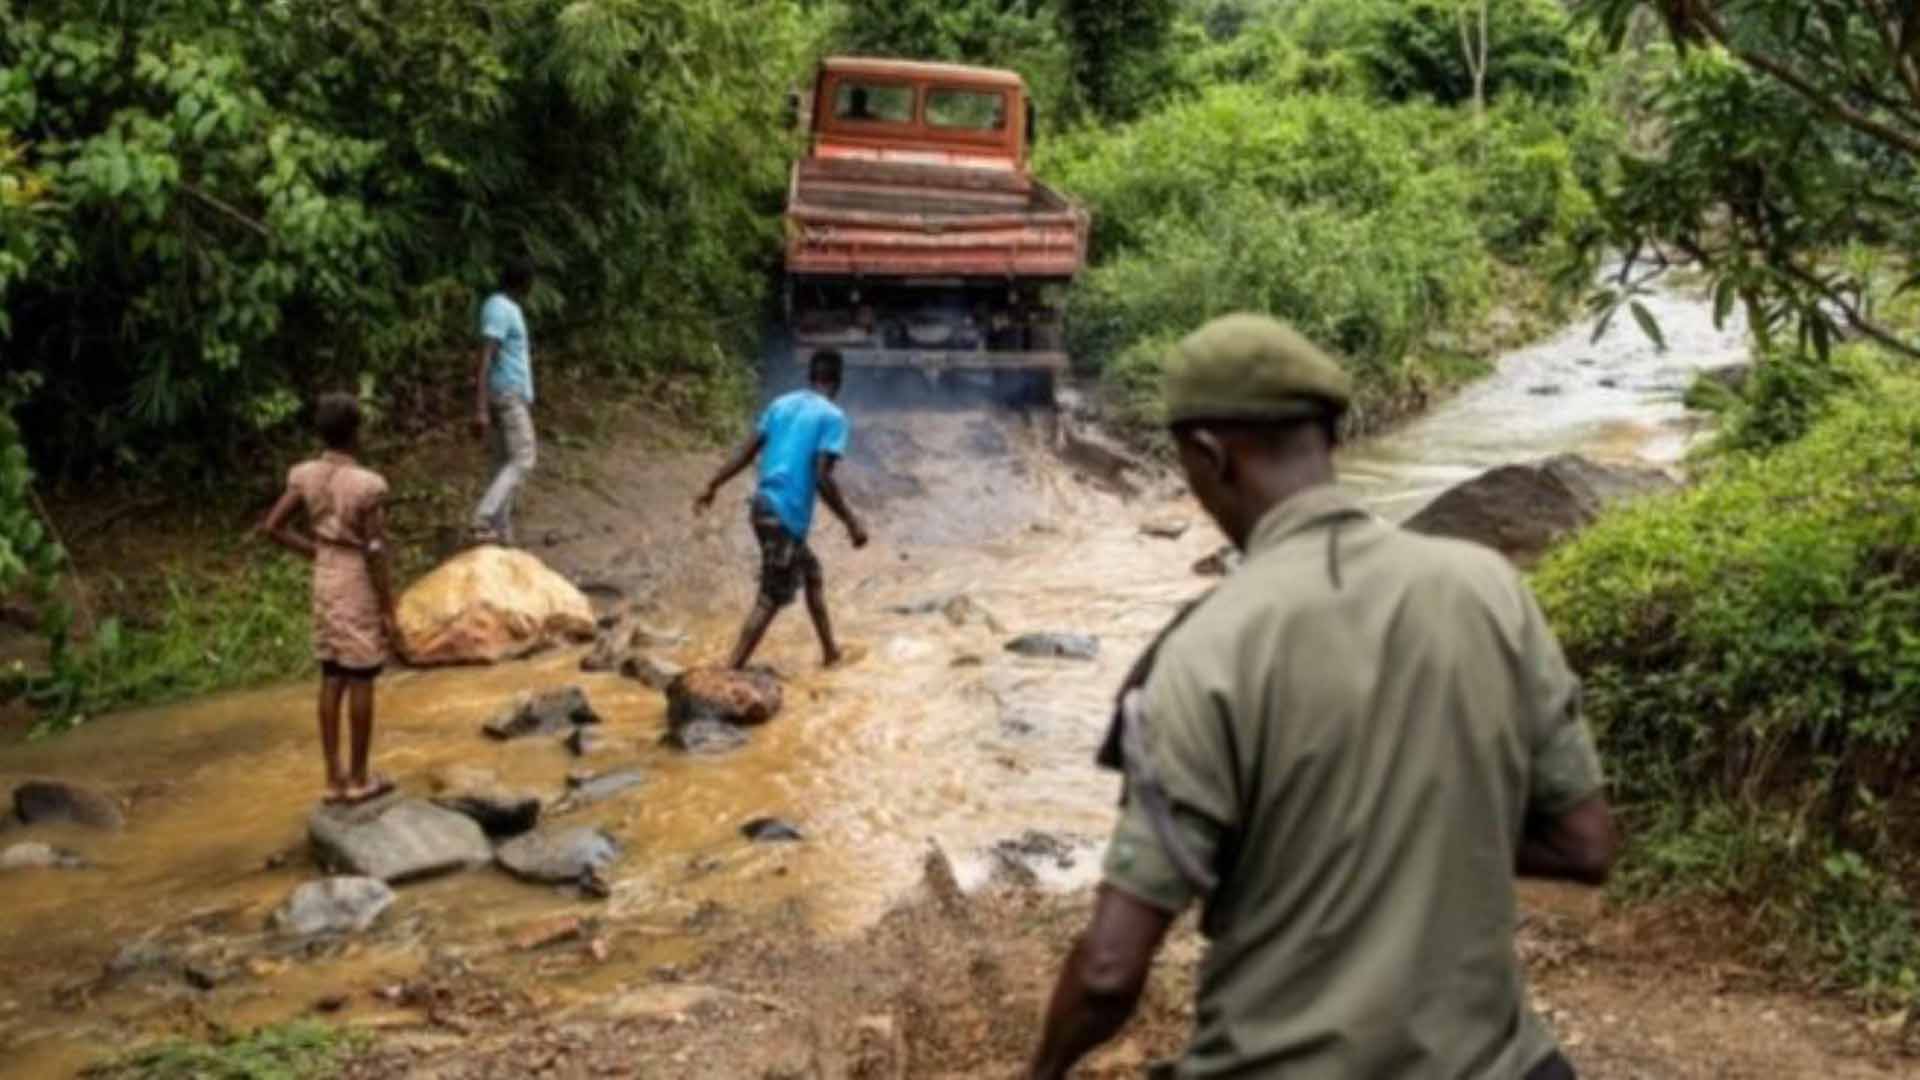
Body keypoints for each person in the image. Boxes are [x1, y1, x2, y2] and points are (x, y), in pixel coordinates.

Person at [1030, 314, 1619, 1080]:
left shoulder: (1203, 651)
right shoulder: (1488, 591)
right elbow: (1586, 846)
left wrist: (1040, 1070)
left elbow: (1109, 972)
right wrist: (1419, 823)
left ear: (1208, 456)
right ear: (1329, 437)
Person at [260, 392, 402, 806]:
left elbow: (272, 526)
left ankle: (333, 778)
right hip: (355, 576)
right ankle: (359, 778)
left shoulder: (305, 475)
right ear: (356, 433)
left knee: (331, 673)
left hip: (323, 576)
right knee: (361, 675)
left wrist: (315, 551)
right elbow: (375, 551)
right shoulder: (367, 485)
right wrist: (389, 606)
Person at [694, 349, 870, 669]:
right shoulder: (832, 417)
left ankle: (830, 653)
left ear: (811, 377)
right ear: (838, 382)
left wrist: (713, 484)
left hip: (762, 506)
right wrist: (851, 522)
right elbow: (821, 478)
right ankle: (729, 668)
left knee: (812, 574)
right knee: (770, 597)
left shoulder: (780, 404)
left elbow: (746, 452)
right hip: (784, 514)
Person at [471, 259, 537, 545]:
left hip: (507, 394)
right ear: (524, 282)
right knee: (524, 458)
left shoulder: (502, 307)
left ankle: (502, 537)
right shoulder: (501, 308)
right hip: (507, 394)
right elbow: (486, 357)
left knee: (502, 465)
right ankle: (483, 518)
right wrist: (480, 407)